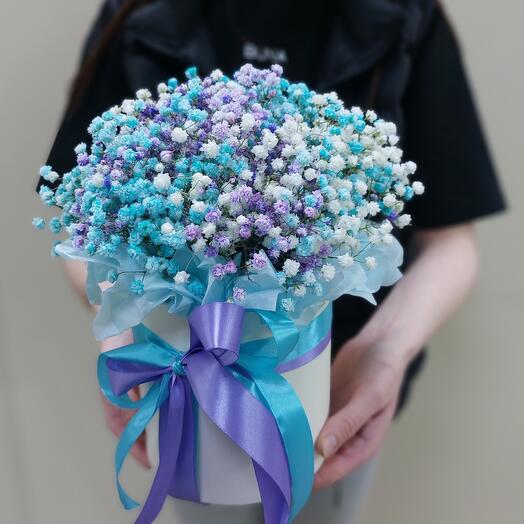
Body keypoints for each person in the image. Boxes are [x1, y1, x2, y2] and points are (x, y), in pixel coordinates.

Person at [38, 0, 506, 522]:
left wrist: (386, 349)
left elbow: (449, 243)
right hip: (185, 385)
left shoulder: (405, 16)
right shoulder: (140, 13)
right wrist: (119, 330)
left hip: (334, 387)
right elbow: (80, 225)